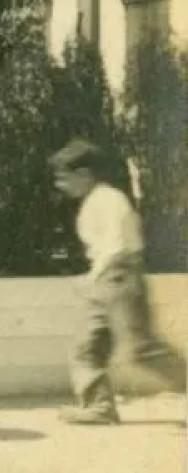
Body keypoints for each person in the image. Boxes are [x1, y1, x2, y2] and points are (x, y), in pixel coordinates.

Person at [49, 138, 186, 424]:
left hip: (121, 278)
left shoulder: (110, 199)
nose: (60, 185)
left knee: (142, 350)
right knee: (87, 347)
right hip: (105, 281)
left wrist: (96, 277)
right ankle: (99, 407)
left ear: (84, 174)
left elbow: (119, 246)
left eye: (64, 178)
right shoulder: (92, 202)